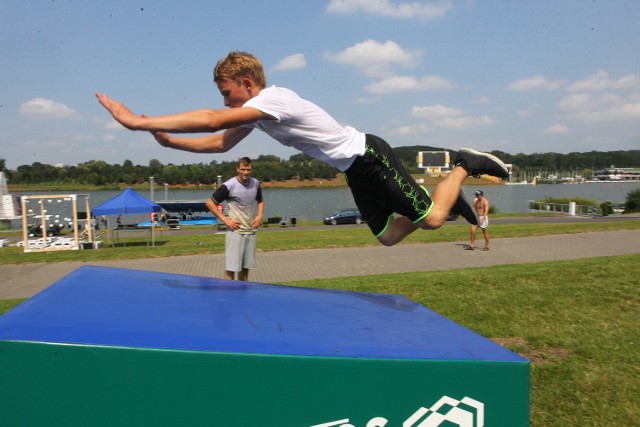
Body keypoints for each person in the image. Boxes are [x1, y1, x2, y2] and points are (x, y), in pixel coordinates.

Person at [96, 51, 509, 246]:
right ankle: (441, 200)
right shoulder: (258, 114)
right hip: (354, 171)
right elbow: (219, 143)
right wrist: (168, 141)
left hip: (370, 155)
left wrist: (141, 122)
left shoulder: (274, 99)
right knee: (387, 236)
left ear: (247, 83)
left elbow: (213, 120)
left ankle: (461, 165)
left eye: (228, 93)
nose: (226, 102)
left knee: (433, 220)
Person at [205, 157, 264, 281]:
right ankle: (228, 297)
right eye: (243, 169)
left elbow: (260, 200)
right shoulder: (229, 185)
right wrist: (225, 219)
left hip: (250, 231)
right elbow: (210, 203)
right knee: (231, 268)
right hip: (235, 231)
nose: (245, 172)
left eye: (248, 169)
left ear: (251, 170)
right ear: (237, 169)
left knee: (245, 268)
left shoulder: (255, 183)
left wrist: (259, 216)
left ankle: (242, 296)